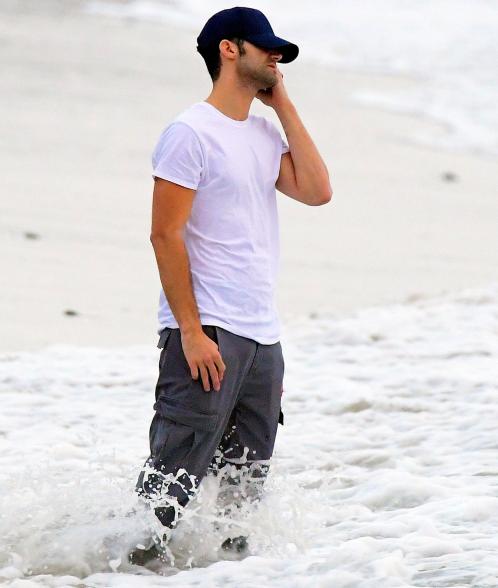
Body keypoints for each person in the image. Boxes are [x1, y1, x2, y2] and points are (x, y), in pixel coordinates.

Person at [129, 6, 332, 565]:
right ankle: (120, 573)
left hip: (262, 337)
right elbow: (164, 236)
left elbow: (318, 191)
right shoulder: (188, 133)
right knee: (168, 490)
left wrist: (283, 104)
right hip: (209, 328)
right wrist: (191, 333)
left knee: (241, 499)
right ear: (228, 49)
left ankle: (219, 578)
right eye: (266, 48)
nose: (277, 57)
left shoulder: (265, 133)